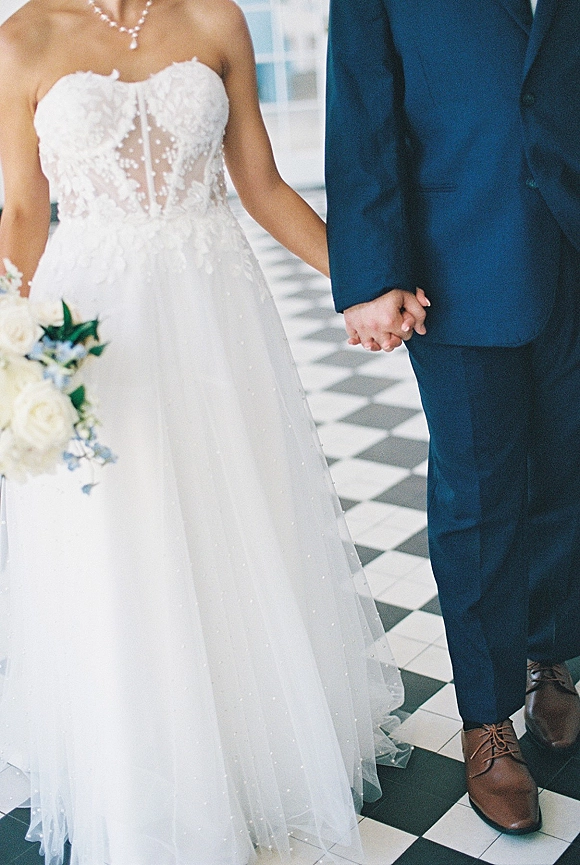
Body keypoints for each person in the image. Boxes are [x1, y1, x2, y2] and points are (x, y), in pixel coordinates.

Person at [0, 1, 411, 863]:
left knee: (236, 522)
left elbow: (262, 187)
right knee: (125, 538)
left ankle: (252, 747)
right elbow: (25, 215)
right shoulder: (22, 40)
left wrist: (365, 282)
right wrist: (13, 348)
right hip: (98, 328)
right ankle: (145, 769)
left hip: (217, 311)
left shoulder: (216, 18)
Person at [326, 0, 580, 838]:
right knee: (478, 491)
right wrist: (372, 270)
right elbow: (362, 106)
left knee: (569, 469)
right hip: (458, 251)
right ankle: (486, 717)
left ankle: (551, 654)